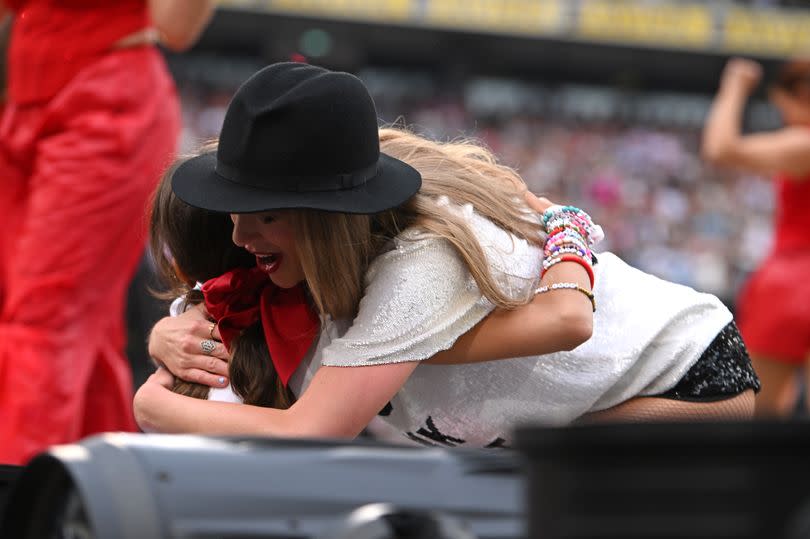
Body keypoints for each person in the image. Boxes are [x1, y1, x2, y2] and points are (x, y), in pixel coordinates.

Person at [135, 63, 759, 448]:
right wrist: (170, 333)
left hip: (684, 377)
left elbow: (315, 429)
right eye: (234, 212)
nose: (241, 237)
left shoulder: (419, 267)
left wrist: (565, 223)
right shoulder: (310, 254)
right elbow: (206, 306)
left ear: (328, 218)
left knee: (544, 493)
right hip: (583, 375)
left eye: (265, 215)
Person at [0, 0, 216, 465]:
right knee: (67, 326)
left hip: (107, 106)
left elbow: (175, 27)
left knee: (43, 323)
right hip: (20, 105)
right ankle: (91, 492)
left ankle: (21, 498)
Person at [702, 57, 810, 417]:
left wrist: (735, 83)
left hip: (790, 283)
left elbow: (721, 149)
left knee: (756, 416)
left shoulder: (803, 143)